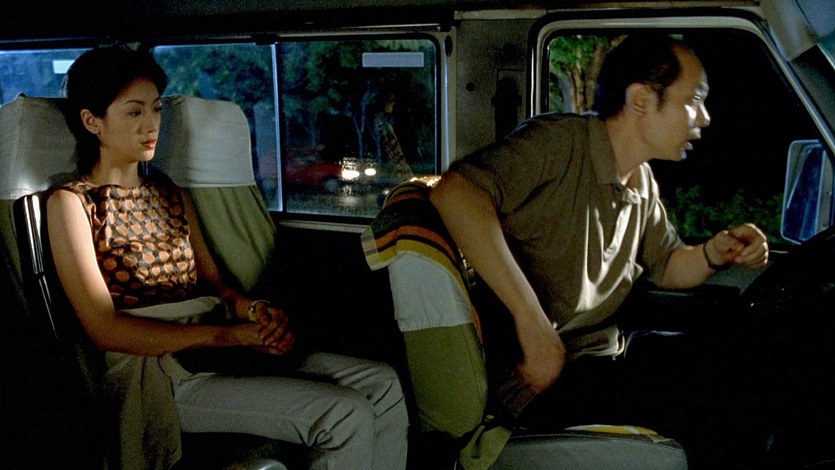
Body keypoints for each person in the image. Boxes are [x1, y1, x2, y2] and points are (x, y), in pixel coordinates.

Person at [47, 46, 408, 470]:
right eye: (134, 112)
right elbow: (105, 330)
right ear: (93, 121)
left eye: (156, 109)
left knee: (383, 383)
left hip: (215, 345)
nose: (151, 125)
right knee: (345, 413)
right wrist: (230, 336)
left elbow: (216, 286)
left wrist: (254, 312)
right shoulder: (72, 204)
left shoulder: (170, 194)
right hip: (158, 370)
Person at [430, 34, 772, 468]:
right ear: (641, 99)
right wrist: (533, 324)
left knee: (735, 363)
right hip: (544, 379)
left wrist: (714, 253)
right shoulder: (557, 144)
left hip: (605, 354)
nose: (704, 118)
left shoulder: (641, 180)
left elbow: (666, 265)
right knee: (707, 405)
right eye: (694, 101)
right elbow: (455, 193)